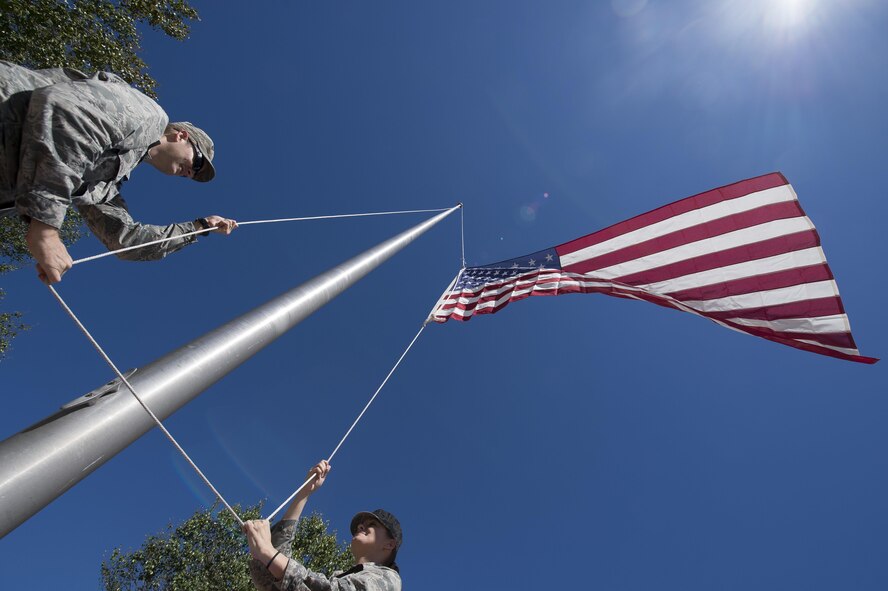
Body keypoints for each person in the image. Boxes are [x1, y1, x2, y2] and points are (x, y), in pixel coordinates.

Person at [0, 60, 237, 284]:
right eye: (197, 163)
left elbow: (126, 241)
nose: (190, 174)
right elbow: (67, 110)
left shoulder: (103, 187)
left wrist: (201, 226)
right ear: (181, 135)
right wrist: (46, 228)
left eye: (194, 176)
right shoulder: (150, 115)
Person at [243, 460, 403, 591]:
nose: (361, 526)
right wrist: (304, 493)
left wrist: (267, 552)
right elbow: (272, 578)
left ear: (390, 544)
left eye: (372, 524)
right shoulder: (340, 577)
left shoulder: (389, 581)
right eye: (361, 524)